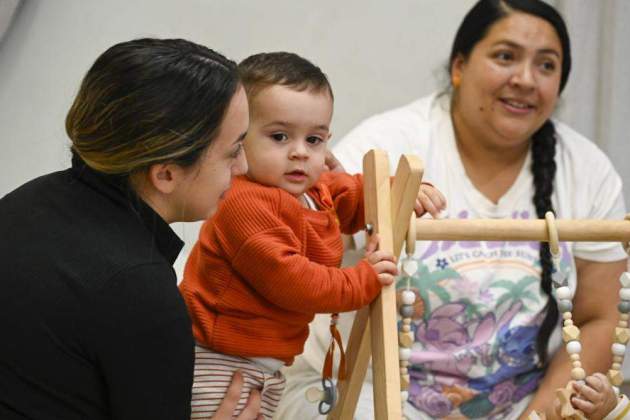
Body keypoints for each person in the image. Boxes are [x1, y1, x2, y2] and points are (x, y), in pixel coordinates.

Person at [276, 1, 627, 419]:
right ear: (459, 67)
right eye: (505, 56)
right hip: (361, 392)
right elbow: (285, 249)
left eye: (546, 66)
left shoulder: (585, 169)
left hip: (520, 406)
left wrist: (540, 415)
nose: (525, 80)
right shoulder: (390, 144)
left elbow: (600, 317)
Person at [0, 38, 262, 420]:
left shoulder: (29, 198)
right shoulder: (140, 293)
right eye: (233, 150)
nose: (244, 168)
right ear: (166, 173)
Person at [178, 52, 446, 420]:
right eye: (279, 136)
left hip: (265, 364)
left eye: (315, 139)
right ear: (239, 138)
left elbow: (350, 195)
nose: (300, 152)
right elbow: (295, 280)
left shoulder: (310, 189)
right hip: (221, 361)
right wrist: (362, 278)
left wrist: (398, 191)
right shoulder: (243, 203)